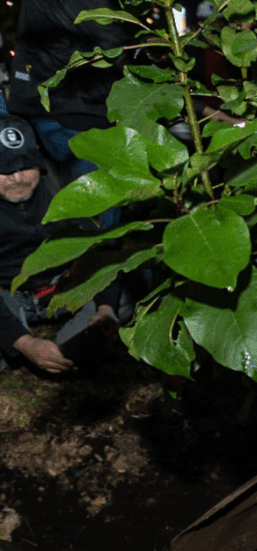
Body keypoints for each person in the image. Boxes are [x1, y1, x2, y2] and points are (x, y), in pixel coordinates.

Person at [0, 113, 125, 374]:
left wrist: (105, 308)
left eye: (25, 166)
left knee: (124, 297)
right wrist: (24, 343)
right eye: (4, 170)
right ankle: (18, 346)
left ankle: (71, 351)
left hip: (67, 286)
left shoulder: (67, 182)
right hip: (9, 295)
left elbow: (103, 249)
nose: (17, 178)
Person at [8, 0, 130, 228]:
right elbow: (111, 39)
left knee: (69, 200)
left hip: (47, 109)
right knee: (101, 208)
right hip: (81, 110)